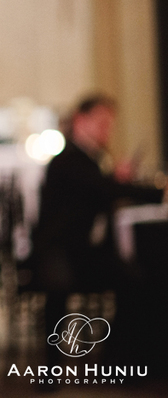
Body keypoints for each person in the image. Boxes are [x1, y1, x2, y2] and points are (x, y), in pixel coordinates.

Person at [33, 94, 165, 367]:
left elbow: (101, 189)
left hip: (83, 250)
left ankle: (119, 357)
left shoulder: (91, 160)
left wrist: (115, 181)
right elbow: (103, 189)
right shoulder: (68, 159)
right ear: (81, 121)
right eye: (102, 122)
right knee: (59, 287)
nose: (108, 129)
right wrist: (158, 192)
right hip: (58, 251)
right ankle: (52, 368)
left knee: (137, 278)